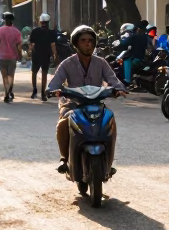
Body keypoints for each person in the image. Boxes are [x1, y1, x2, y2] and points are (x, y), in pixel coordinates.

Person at [47, 25, 127, 172]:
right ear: (76, 43)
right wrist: (54, 91)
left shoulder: (101, 62)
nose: (87, 44)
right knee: (63, 124)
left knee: (110, 119)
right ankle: (64, 158)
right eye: (83, 40)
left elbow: (112, 79)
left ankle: (108, 161)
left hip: (96, 103)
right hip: (72, 104)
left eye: (90, 40)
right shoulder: (67, 63)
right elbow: (54, 84)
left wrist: (119, 89)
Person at [0, 11, 23, 103]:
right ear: (12, 20)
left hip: (2, 57)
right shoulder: (17, 32)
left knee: (4, 76)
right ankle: (10, 91)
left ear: (4, 20)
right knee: (11, 75)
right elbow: (19, 47)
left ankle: (6, 93)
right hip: (12, 57)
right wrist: (20, 56)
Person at [28, 13, 58, 100]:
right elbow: (53, 45)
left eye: (44, 23)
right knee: (43, 74)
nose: (44, 24)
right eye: (43, 23)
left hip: (37, 55)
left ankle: (35, 91)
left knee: (35, 73)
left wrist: (30, 53)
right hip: (44, 55)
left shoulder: (35, 31)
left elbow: (32, 45)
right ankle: (42, 94)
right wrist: (55, 55)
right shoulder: (52, 33)